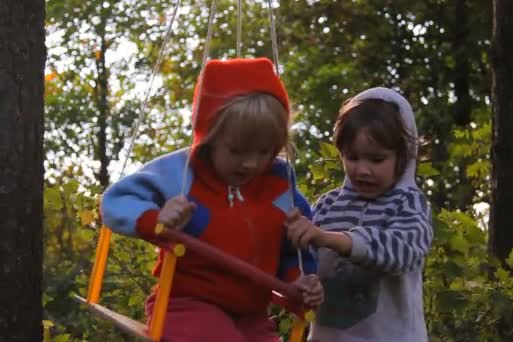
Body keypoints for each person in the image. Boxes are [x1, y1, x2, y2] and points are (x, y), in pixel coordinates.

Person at [101, 57, 323, 341]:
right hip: (187, 306)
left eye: (264, 151)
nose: (251, 164)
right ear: (210, 136)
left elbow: (294, 251)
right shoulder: (181, 173)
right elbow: (117, 200)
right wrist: (157, 218)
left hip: (252, 316)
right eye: (237, 151)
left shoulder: (279, 184)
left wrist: (301, 282)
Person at [286, 87, 433, 342]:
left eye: (377, 159)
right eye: (352, 157)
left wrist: (333, 239)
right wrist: (305, 284)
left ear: (403, 157)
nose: (362, 170)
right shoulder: (327, 205)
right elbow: (303, 265)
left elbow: (401, 252)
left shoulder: (409, 203)